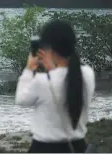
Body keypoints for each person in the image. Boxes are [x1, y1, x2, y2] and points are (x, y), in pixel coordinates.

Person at [15, 19, 96, 153]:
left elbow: (21, 100)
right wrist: (51, 67)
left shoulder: (42, 81)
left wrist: (29, 69)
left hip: (44, 148)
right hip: (77, 147)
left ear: (48, 48)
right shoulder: (87, 74)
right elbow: (64, 81)